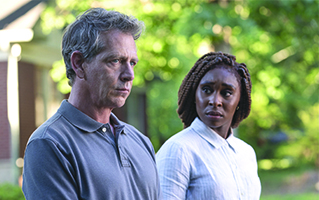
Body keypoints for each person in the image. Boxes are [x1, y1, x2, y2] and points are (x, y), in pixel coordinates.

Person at [22, 8, 160, 200]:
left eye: (132, 63)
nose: (129, 75)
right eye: (115, 61)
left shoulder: (140, 142)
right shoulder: (49, 144)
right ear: (78, 64)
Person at [156, 52, 261, 200]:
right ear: (194, 94)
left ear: (240, 100)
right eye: (207, 90)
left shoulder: (246, 152)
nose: (215, 101)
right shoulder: (179, 149)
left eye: (226, 93)